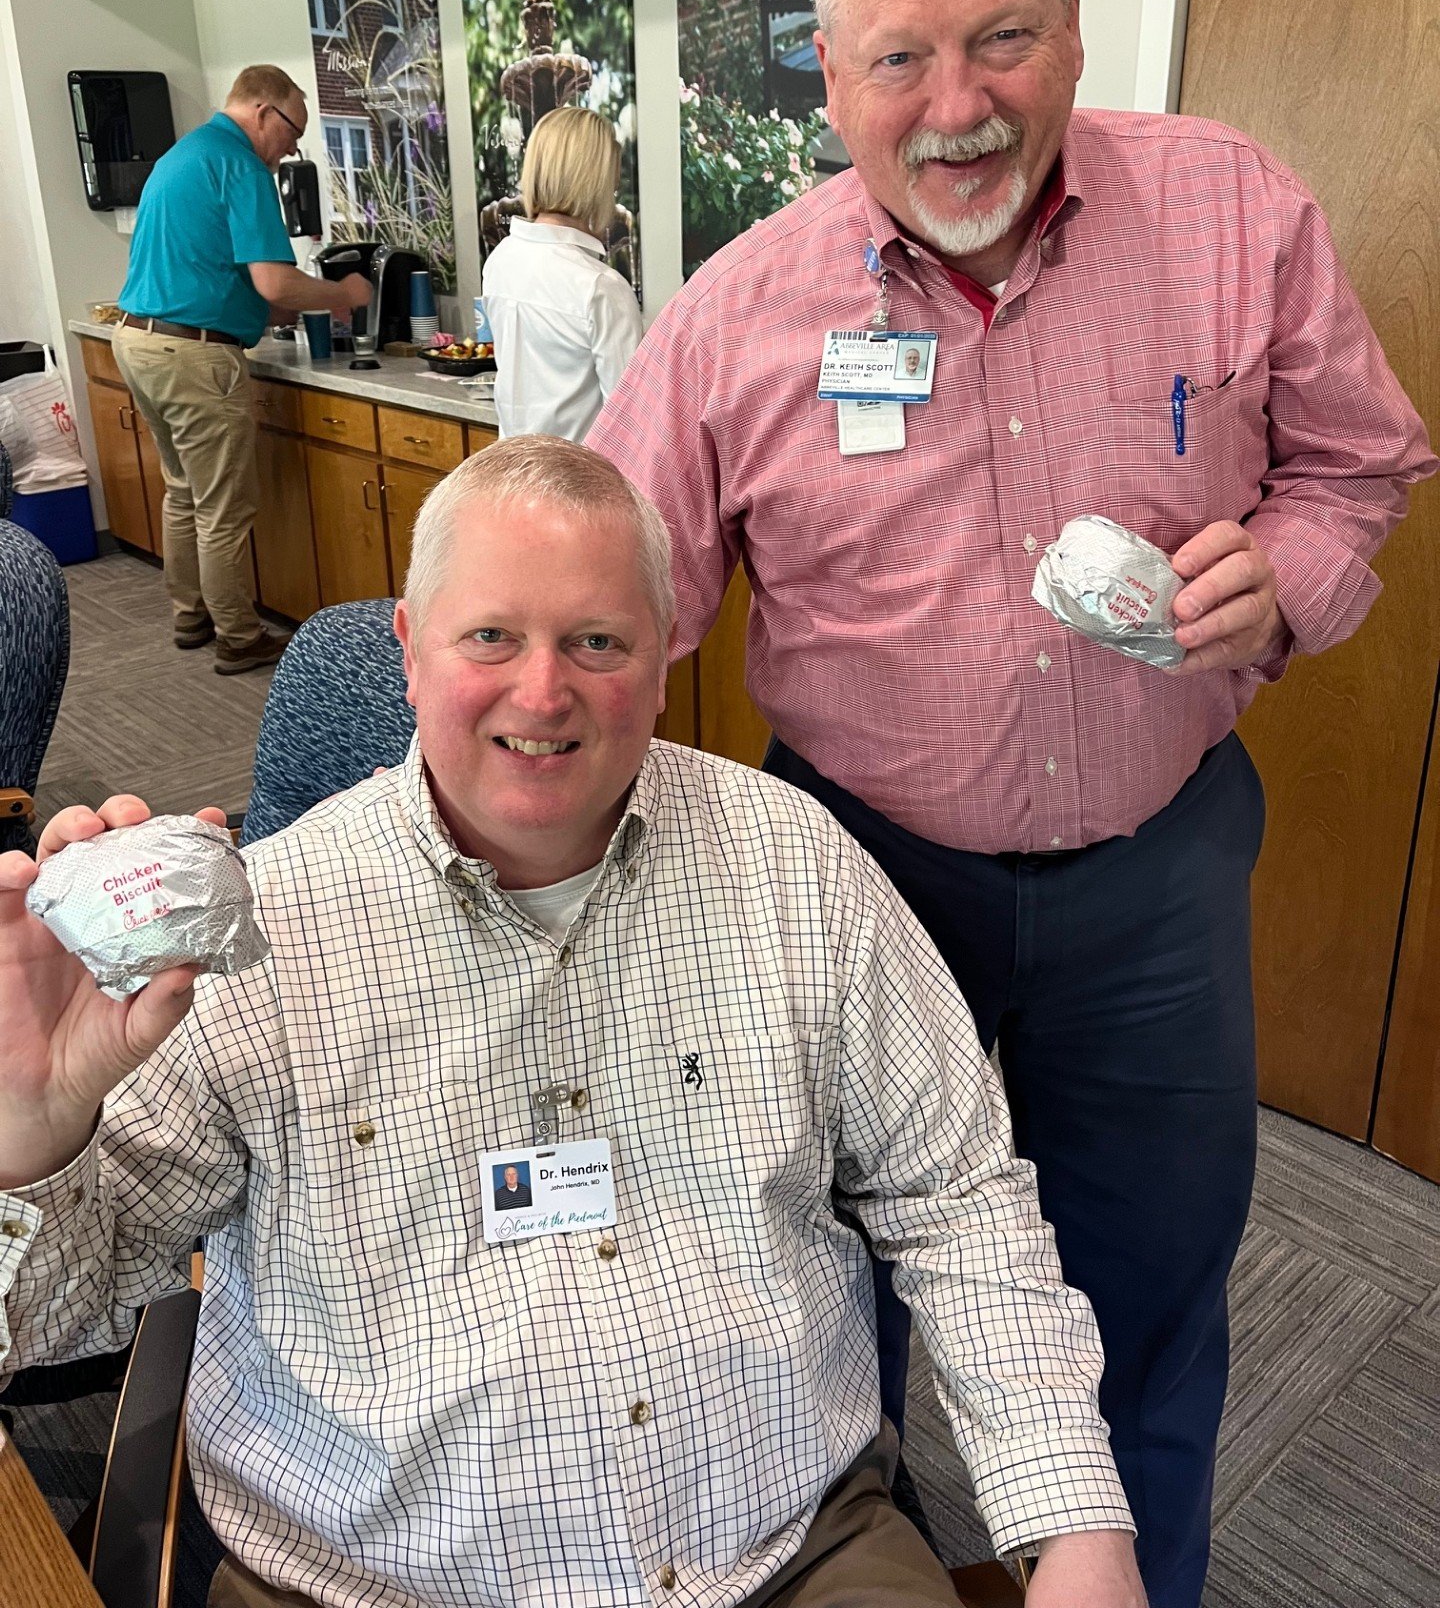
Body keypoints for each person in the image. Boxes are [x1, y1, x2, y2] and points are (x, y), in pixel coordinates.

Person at [587, 0, 1438, 1608]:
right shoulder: (738, 317)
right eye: (898, 56)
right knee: (831, 1312)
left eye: (1001, 39)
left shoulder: (1233, 208)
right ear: (828, 76)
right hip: (849, 883)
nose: (956, 105)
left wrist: (1288, 571)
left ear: (1069, 11)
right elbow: (606, 612)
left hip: (1157, 880)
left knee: (1149, 1302)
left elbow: (1365, 468)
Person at [0, 437, 1145, 1608]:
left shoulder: (799, 867)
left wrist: (1073, 1522)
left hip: (785, 1550)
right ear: (409, 648)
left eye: (597, 642)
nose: (541, 693)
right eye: (490, 635)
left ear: (662, 662)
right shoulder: (253, 934)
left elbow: (955, 1199)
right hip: (371, 1581)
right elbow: (46, 1319)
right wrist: (29, 1137)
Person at [113, 65, 373, 675]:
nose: (290, 151)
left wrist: (284, 303)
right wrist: (349, 294)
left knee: (183, 490)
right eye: (292, 133)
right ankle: (238, 634)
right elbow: (274, 280)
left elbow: (239, 280)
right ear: (263, 112)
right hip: (196, 355)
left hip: (140, 340)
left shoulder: (182, 157)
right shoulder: (241, 165)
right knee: (224, 505)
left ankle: (190, 612)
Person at [482, 105, 643, 440]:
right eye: (612, 184)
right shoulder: (600, 287)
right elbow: (632, 424)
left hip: (513, 474)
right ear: (595, 184)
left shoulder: (500, 260)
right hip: (579, 484)